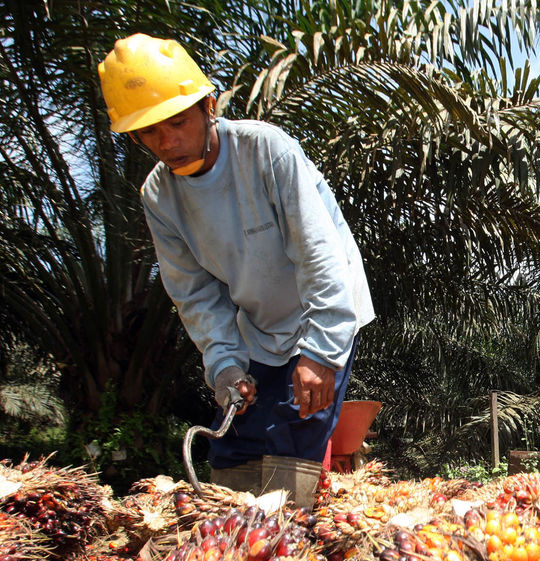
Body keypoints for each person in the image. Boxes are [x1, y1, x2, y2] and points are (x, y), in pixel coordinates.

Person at [97, 34, 375, 503]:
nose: (167, 143)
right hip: (258, 331)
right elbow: (195, 294)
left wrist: (322, 352)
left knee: (294, 439)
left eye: (178, 123)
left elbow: (320, 253)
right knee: (234, 445)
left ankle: (293, 554)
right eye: (148, 133)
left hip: (322, 312)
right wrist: (224, 364)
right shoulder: (158, 197)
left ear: (208, 105)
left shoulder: (265, 150)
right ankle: (236, 558)